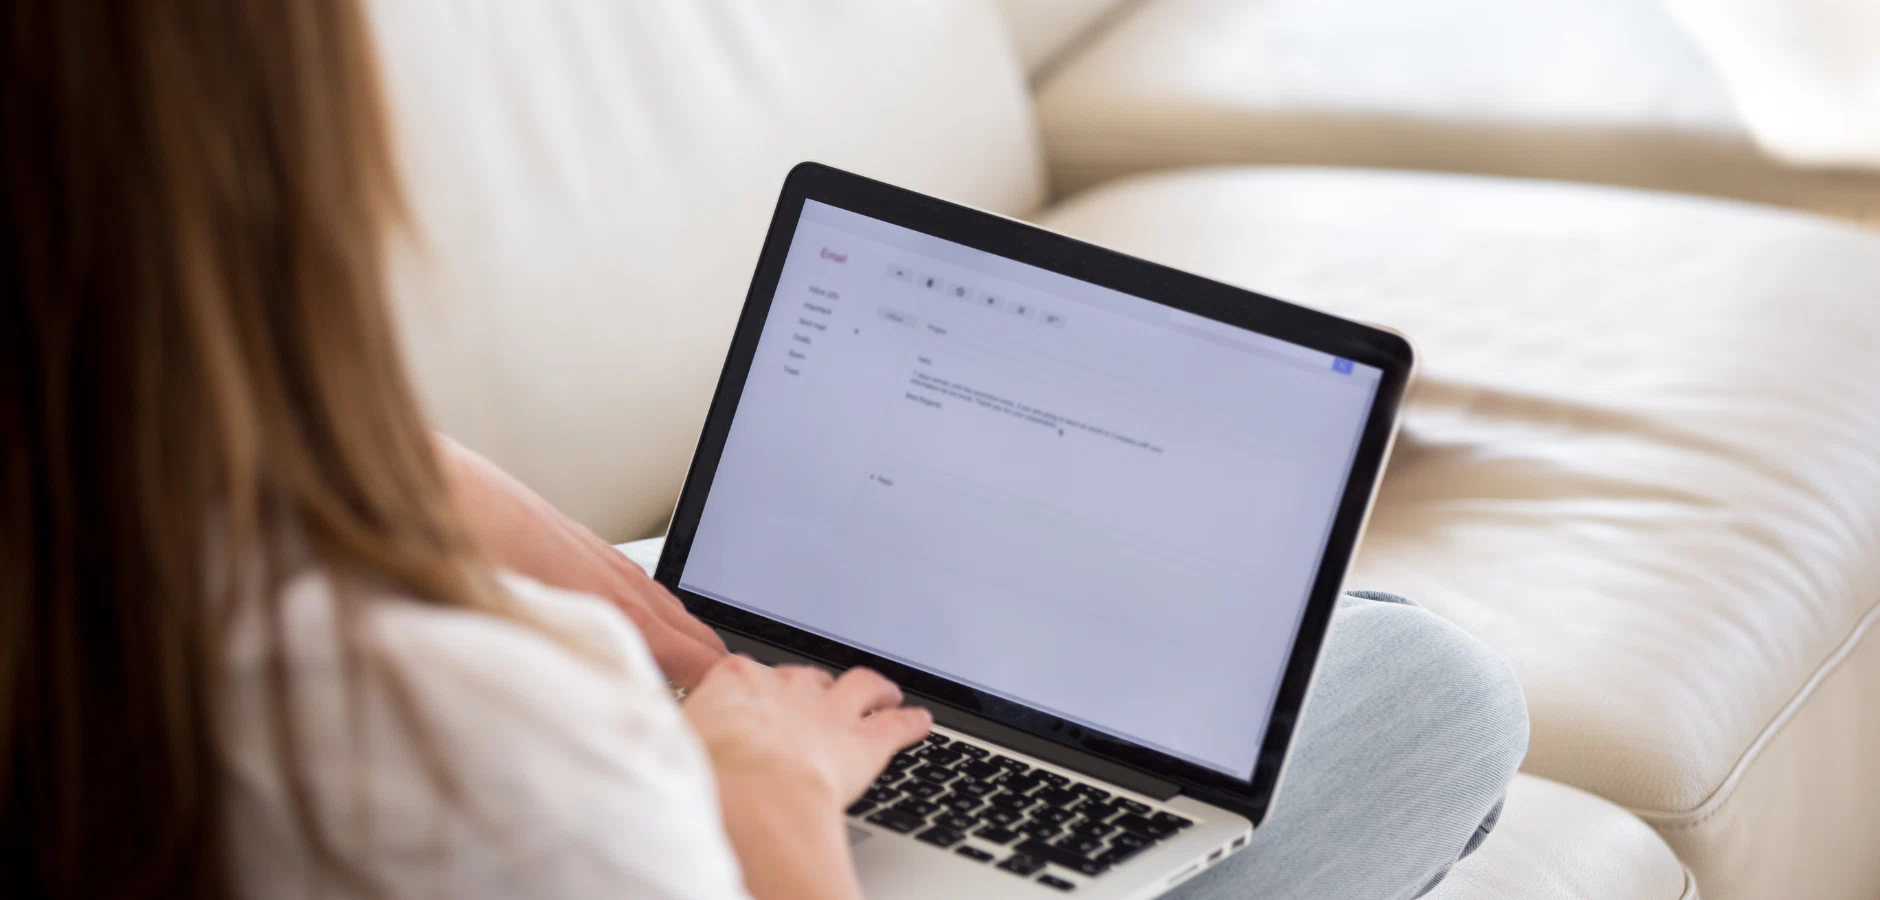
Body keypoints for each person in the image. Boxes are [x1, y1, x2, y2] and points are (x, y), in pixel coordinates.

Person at [0, 1, 1528, 898]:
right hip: (685, 818)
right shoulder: (464, 739)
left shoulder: (111, 510)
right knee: (1424, 684)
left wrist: (429, 493)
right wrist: (769, 789)